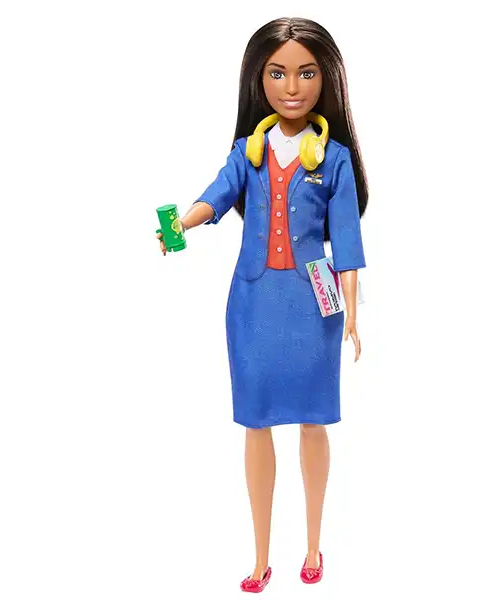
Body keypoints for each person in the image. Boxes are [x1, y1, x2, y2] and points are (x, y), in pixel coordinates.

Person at [157, 17, 367, 593]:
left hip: (315, 305)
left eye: (306, 73)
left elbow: (347, 243)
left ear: (327, 79)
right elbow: (217, 194)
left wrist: (352, 310)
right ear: (258, 79)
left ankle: (314, 545)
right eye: (277, 73)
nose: (291, 87)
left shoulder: (334, 158)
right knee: (255, 423)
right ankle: (259, 556)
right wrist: (183, 222)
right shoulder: (247, 152)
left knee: (314, 421)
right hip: (253, 303)